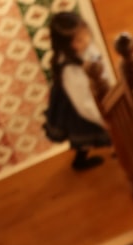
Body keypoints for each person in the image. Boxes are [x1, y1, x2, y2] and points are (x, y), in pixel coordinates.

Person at [45, 12, 113, 171]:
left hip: (89, 99)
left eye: (86, 34)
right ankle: (80, 161)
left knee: (90, 136)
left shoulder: (85, 48)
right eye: (80, 40)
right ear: (68, 45)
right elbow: (83, 103)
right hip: (80, 108)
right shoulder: (70, 70)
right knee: (85, 135)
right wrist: (102, 119)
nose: (87, 41)